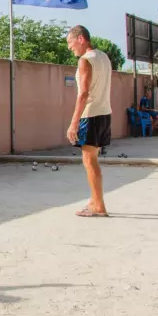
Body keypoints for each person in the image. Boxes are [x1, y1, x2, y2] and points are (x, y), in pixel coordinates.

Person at [64, 26, 112, 217]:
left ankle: (98, 207)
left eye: (70, 42)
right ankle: (94, 200)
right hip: (104, 113)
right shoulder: (104, 57)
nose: (69, 47)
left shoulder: (85, 60)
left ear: (81, 39)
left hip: (91, 115)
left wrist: (73, 123)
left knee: (89, 161)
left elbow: (83, 93)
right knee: (93, 160)